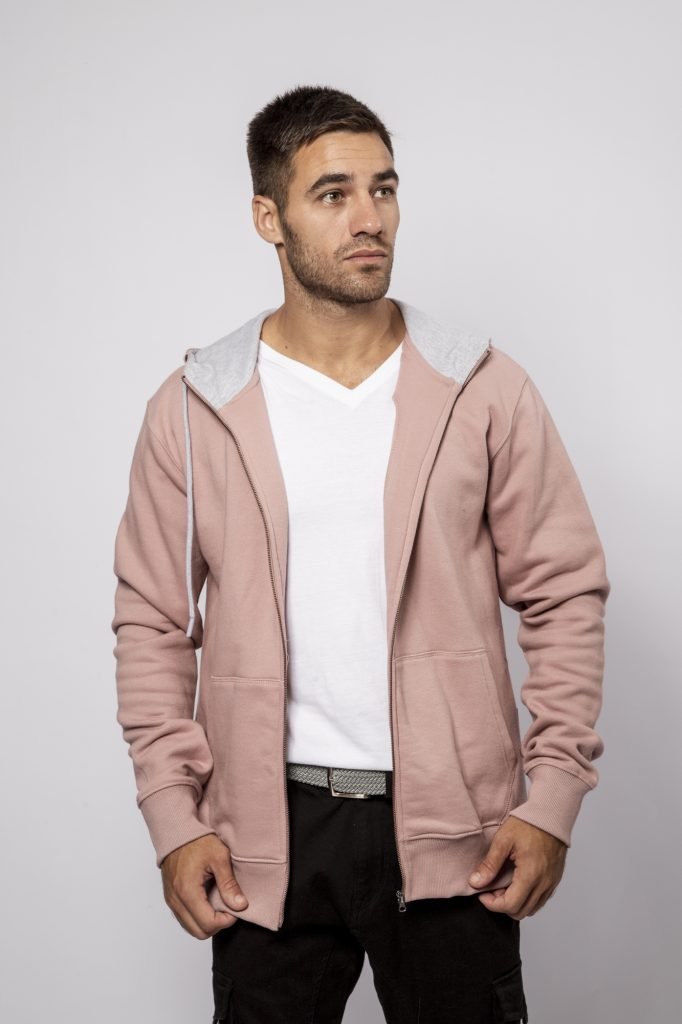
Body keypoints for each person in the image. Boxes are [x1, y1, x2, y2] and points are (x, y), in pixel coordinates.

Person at [111, 84, 610, 1024]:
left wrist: (550, 800)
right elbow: (152, 621)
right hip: (266, 837)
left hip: (456, 831)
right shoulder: (194, 406)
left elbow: (564, 593)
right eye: (333, 194)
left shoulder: (481, 386)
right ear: (269, 218)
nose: (369, 218)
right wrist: (173, 818)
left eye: (383, 188)